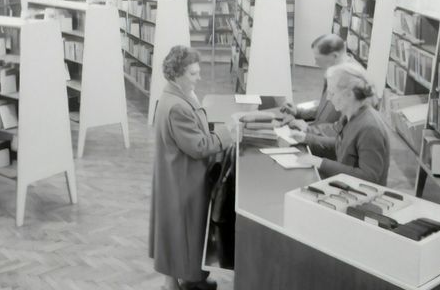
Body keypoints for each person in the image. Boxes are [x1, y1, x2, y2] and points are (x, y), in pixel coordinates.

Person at [149, 45, 235, 290]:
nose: (199, 78)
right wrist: (225, 134)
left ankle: (190, 277)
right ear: (178, 74)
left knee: (187, 231)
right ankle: (183, 280)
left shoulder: (180, 95)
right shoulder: (177, 106)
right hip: (183, 178)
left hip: (179, 174)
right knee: (186, 231)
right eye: (194, 74)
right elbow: (197, 146)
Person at [237, 34, 348, 157]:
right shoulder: (333, 72)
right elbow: (323, 104)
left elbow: (343, 128)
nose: (315, 63)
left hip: (326, 145)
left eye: (317, 58)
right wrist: (298, 110)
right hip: (315, 133)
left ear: (334, 56)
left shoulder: (349, 83)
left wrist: (308, 128)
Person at [292, 62, 390, 185]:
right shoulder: (352, 115)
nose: (328, 98)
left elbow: (369, 177)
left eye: (332, 93)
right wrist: (307, 138)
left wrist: (321, 163)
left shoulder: (370, 128)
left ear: (349, 94)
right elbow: (341, 145)